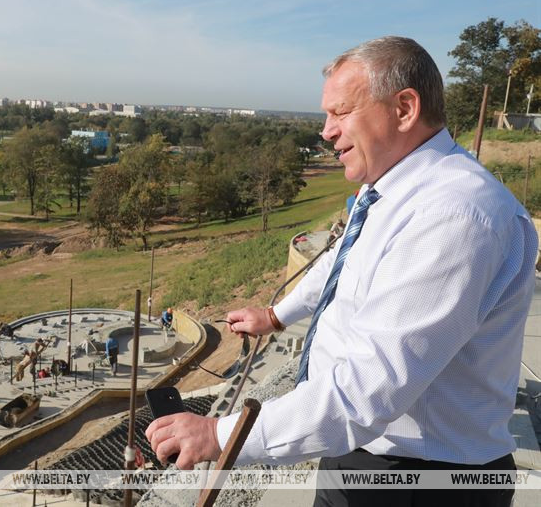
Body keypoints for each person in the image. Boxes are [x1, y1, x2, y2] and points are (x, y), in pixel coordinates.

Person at [145, 37, 536, 507]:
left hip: (421, 476)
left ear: (404, 108)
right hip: (368, 451)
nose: (326, 131)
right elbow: (340, 261)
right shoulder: (392, 190)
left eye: (341, 112)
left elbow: (367, 391)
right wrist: (276, 315)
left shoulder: (453, 217)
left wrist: (220, 434)